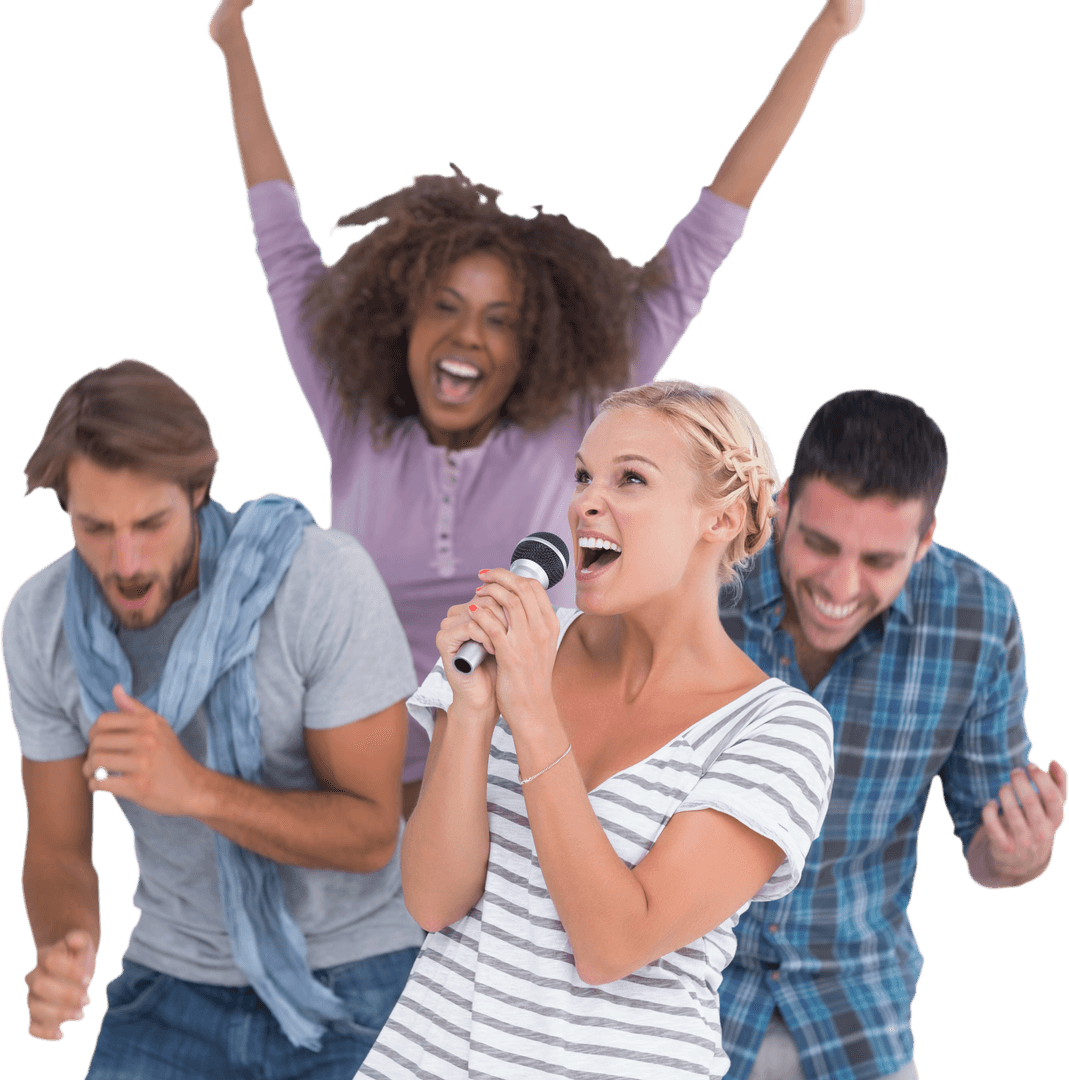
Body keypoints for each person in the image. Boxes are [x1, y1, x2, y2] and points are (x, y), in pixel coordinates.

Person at [207, 0, 867, 810]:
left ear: (537, 344)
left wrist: (826, 30)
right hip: (358, 794)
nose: (467, 338)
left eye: (500, 320)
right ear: (401, 320)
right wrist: (231, 43)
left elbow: (706, 239)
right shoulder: (356, 414)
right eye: (445, 307)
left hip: (519, 791)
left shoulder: (579, 421)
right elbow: (280, 239)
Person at [356, 379, 835, 1079]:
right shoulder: (519, 650)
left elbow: (613, 943)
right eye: (582, 475)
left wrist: (530, 710)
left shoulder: (778, 731)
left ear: (721, 518)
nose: (585, 501)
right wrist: (471, 710)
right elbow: (433, 901)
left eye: (630, 478)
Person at [2, 359, 425, 1079]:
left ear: (199, 490)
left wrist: (194, 789)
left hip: (359, 976)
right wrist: (65, 943)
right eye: (94, 527)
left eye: (150, 523)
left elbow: (369, 833)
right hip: (169, 983)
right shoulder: (42, 622)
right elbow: (58, 847)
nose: (125, 561)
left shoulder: (317, 581)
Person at [716, 389, 1068, 1080]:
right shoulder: (699, 582)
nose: (839, 585)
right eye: (817, 544)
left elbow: (986, 851)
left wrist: (1020, 855)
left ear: (924, 540)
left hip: (853, 1009)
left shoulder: (977, 617)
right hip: (680, 997)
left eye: (879, 559)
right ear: (782, 502)